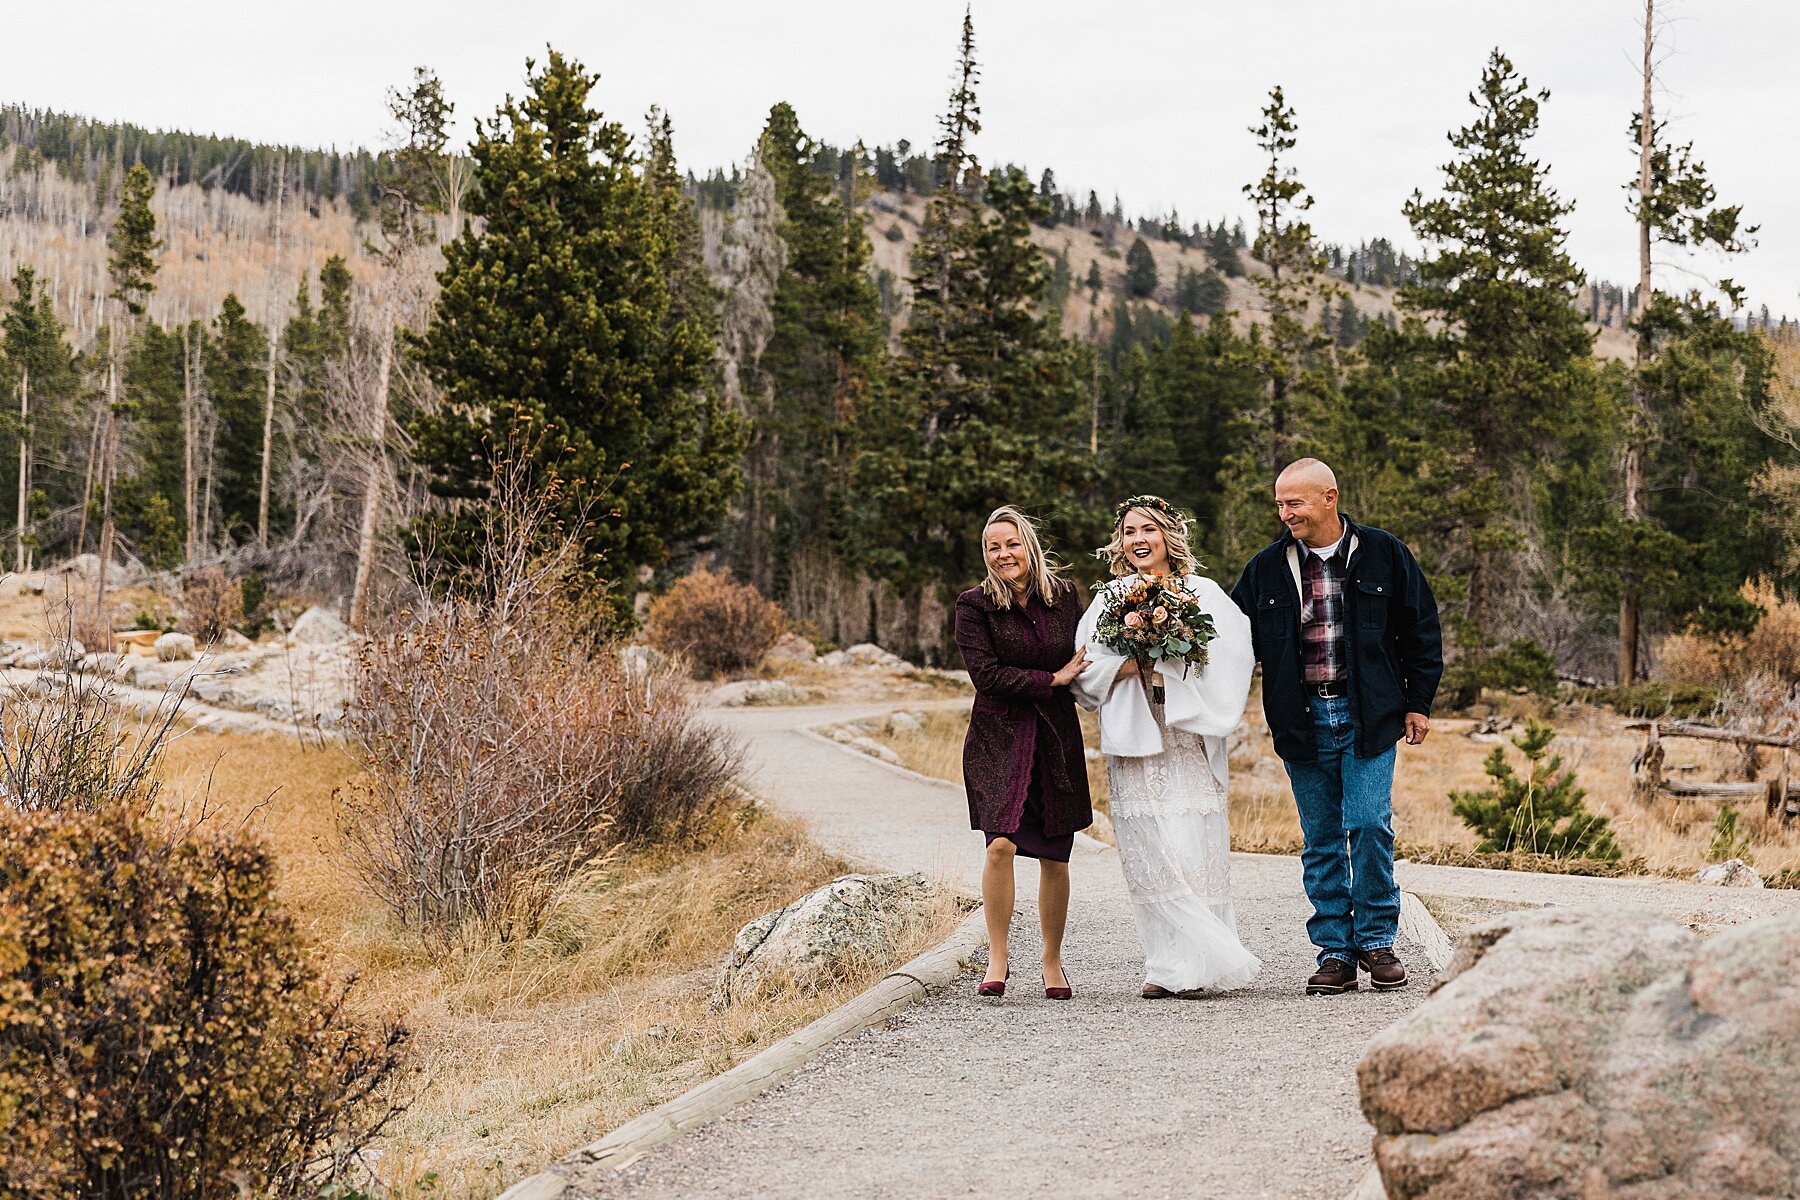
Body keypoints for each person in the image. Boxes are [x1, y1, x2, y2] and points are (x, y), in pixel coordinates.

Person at [1229, 459, 1442, 996]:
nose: (1285, 514)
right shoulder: (1265, 569)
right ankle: (1335, 952)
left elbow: (1421, 630)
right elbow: (1229, 643)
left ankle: (1376, 940)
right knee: (1321, 839)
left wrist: (1418, 703)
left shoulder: (1384, 553)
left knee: (1370, 824)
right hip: (1301, 721)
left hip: (1369, 714)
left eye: (1294, 503)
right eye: (1279, 505)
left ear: (1330, 497)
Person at [1071, 496, 1261, 999]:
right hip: (1136, 736)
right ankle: (1165, 965)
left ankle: (1200, 963)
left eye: (1148, 530)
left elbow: (1234, 655)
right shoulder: (1110, 598)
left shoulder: (1205, 593)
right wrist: (1134, 664)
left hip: (1186, 733)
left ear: (1168, 536)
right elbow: (1084, 673)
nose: (1138, 539)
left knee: (1189, 842)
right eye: (1130, 531)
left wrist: (1173, 663)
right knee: (1148, 849)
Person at [954, 505, 1093, 1001]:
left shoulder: (1065, 597)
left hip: (1056, 736)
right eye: (993, 547)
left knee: (1055, 854)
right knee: (1000, 845)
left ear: (1028, 545)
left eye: (1010, 544)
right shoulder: (974, 606)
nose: (1002, 554)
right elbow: (985, 675)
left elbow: (1087, 656)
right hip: (999, 740)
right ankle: (998, 955)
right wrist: (1050, 679)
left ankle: (1052, 961)